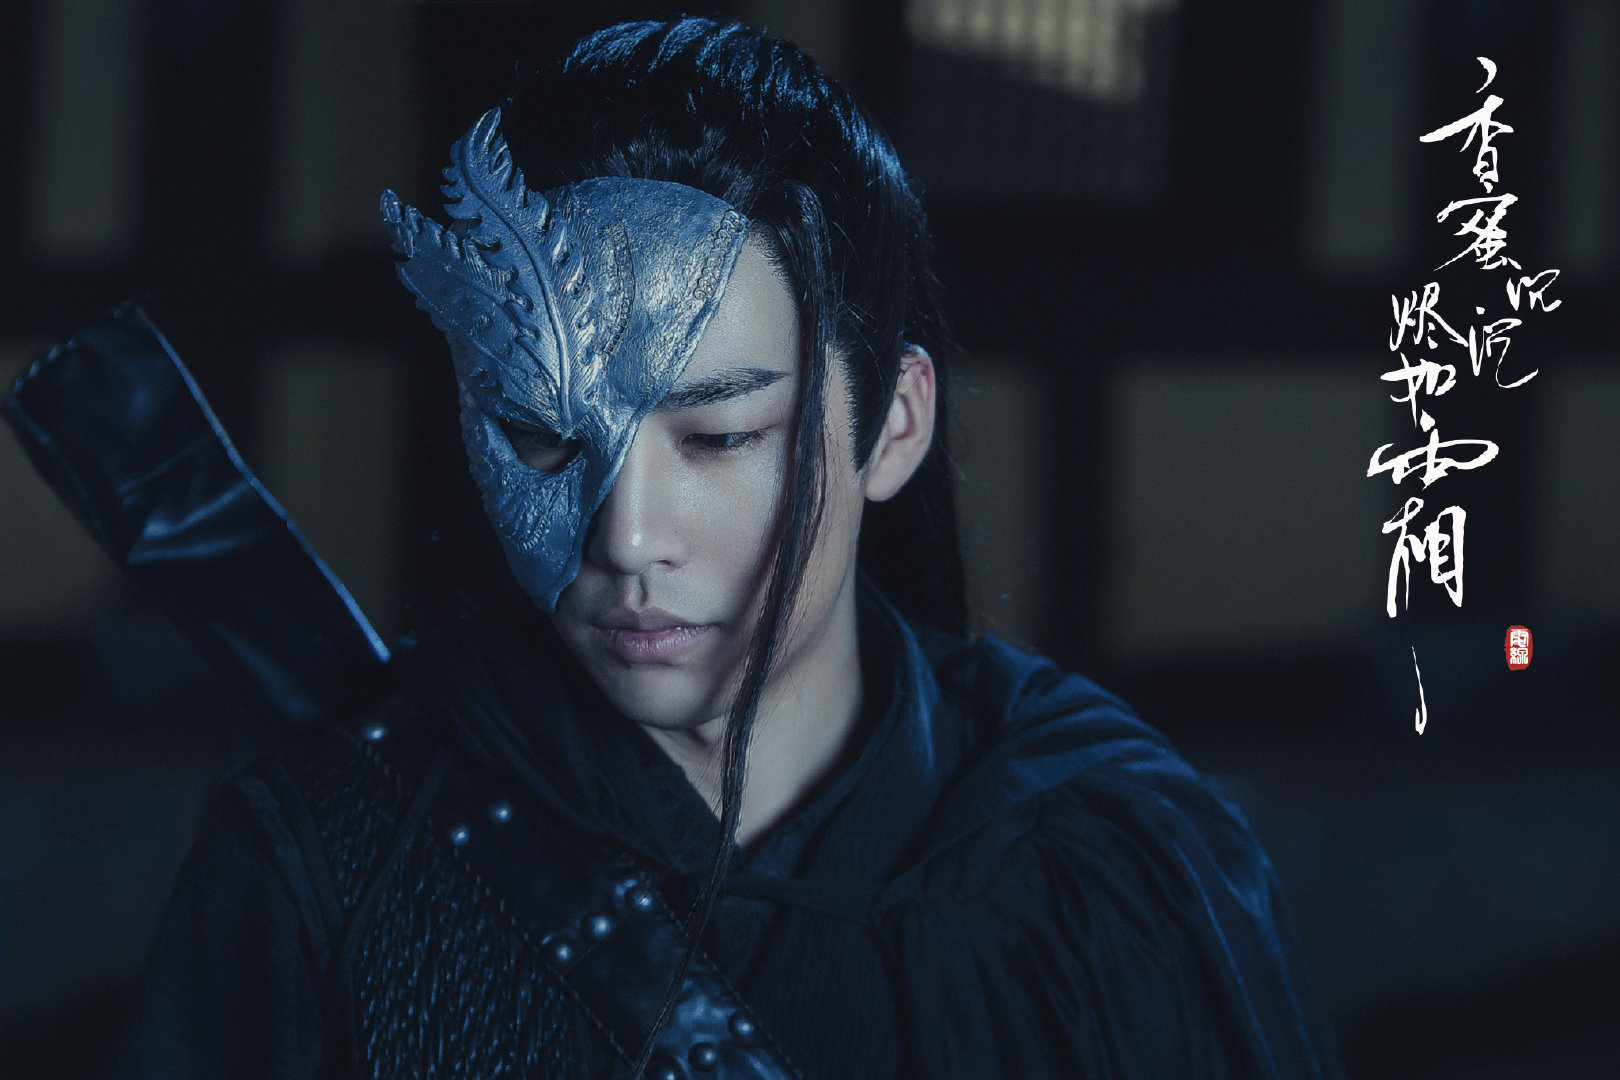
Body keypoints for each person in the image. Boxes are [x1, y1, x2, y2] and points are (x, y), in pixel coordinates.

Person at [108, 17, 1344, 1080]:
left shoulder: (1112, 865)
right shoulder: (334, 855)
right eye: (541, 436)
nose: (627, 536)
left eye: (719, 437)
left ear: (893, 424)